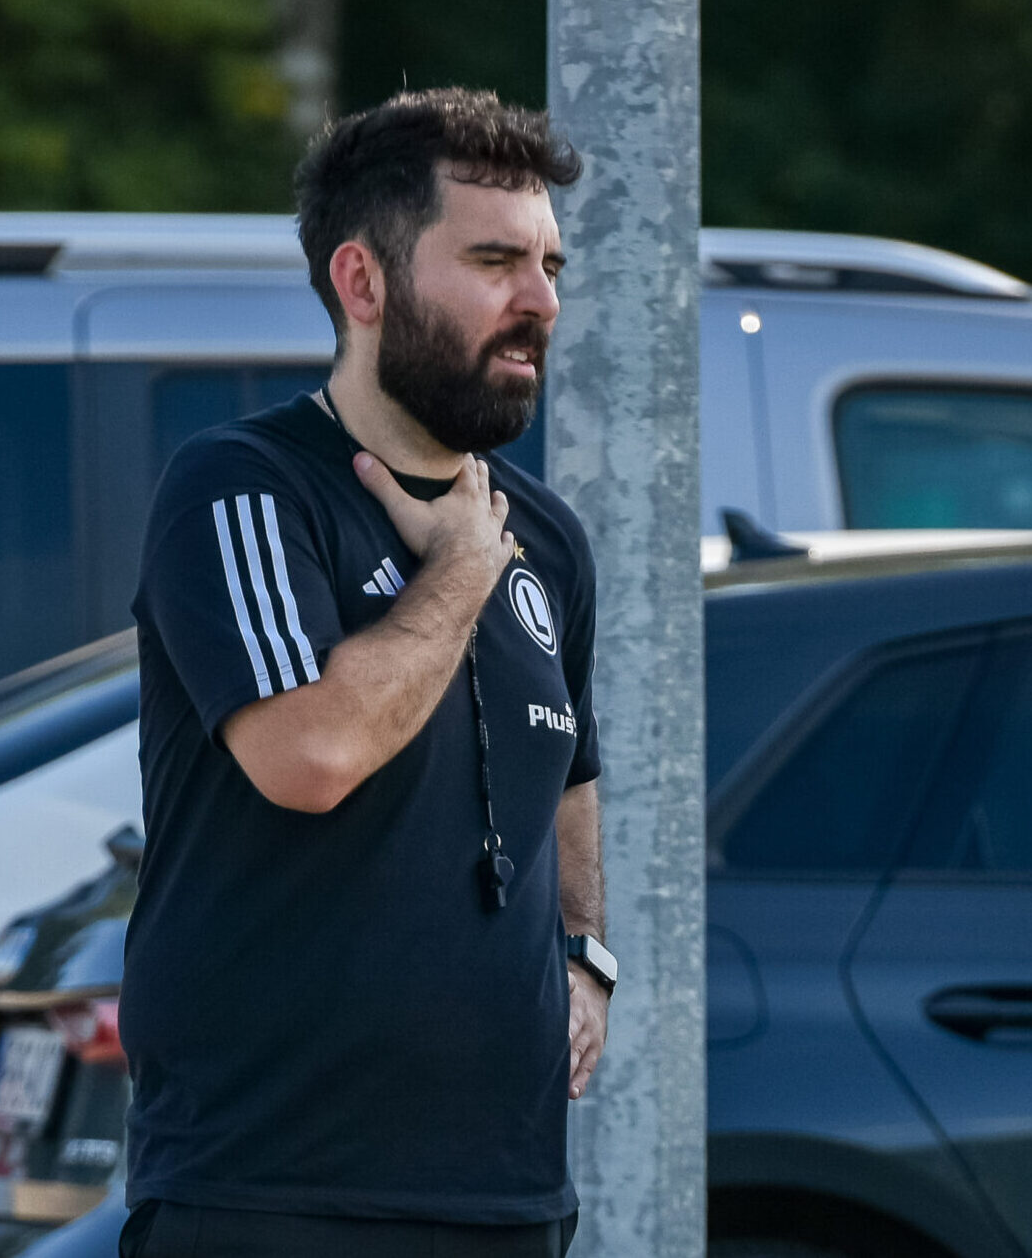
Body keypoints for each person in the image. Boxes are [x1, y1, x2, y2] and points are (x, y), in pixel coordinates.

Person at [119, 88, 617, 1257]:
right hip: (272, 1193)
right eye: (494, 261)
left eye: (549, 264)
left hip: (505, 1195)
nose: (539, 302)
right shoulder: (241, 488)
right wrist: (452, 577)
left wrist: (586, 955)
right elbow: (312, 753)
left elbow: (573, 775)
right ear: (363, 282)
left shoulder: (544, 539)